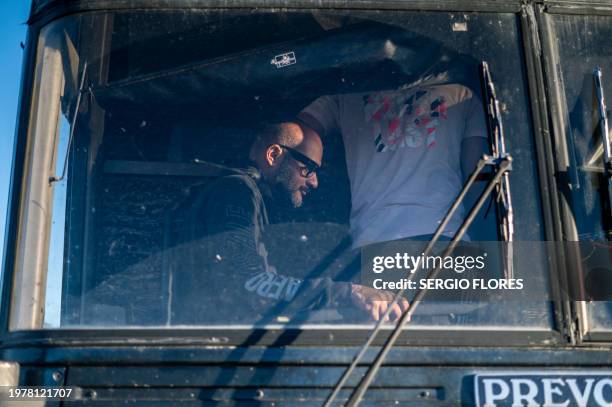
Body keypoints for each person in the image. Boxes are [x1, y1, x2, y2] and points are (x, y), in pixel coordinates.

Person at [170, 122, 408, 324]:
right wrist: (348, 293)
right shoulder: (237, 192)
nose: (314, 182)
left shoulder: (245, 194)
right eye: (309, 168)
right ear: (273, 155)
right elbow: (252, 286)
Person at [298, 83, 488, 248]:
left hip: (374, 244)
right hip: (446, 238)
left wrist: (309, 170)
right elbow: (477, 179)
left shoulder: (345, 93)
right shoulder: (463, 94)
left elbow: (295, 133)